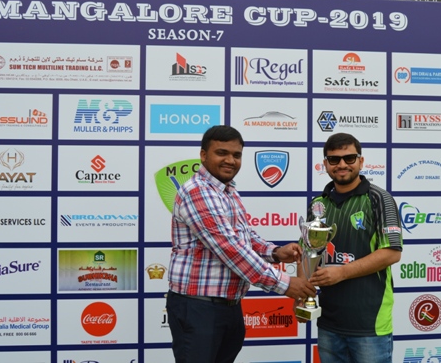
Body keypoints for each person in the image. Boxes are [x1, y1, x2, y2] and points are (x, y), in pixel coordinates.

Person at [166, 125, 316, 363]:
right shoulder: (198, 191)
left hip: (228, 306)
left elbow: (244, 237)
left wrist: (276, 252)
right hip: (199, 308)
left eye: (236, 155)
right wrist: (285, 284)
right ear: (203, 155)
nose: (230, 160)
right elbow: (231, 249)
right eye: (222, 153)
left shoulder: (227, 190)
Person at [302, 133, 402, 363]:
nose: (342, 164)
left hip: (369, 323)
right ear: (325, 164)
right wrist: (302, 295)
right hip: (328, 322)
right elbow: (308, 253)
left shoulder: (380, 199)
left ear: (360, 161)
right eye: (334, 159)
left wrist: (342, 272)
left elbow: (392, 253)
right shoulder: (318, 205)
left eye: (349, 158)